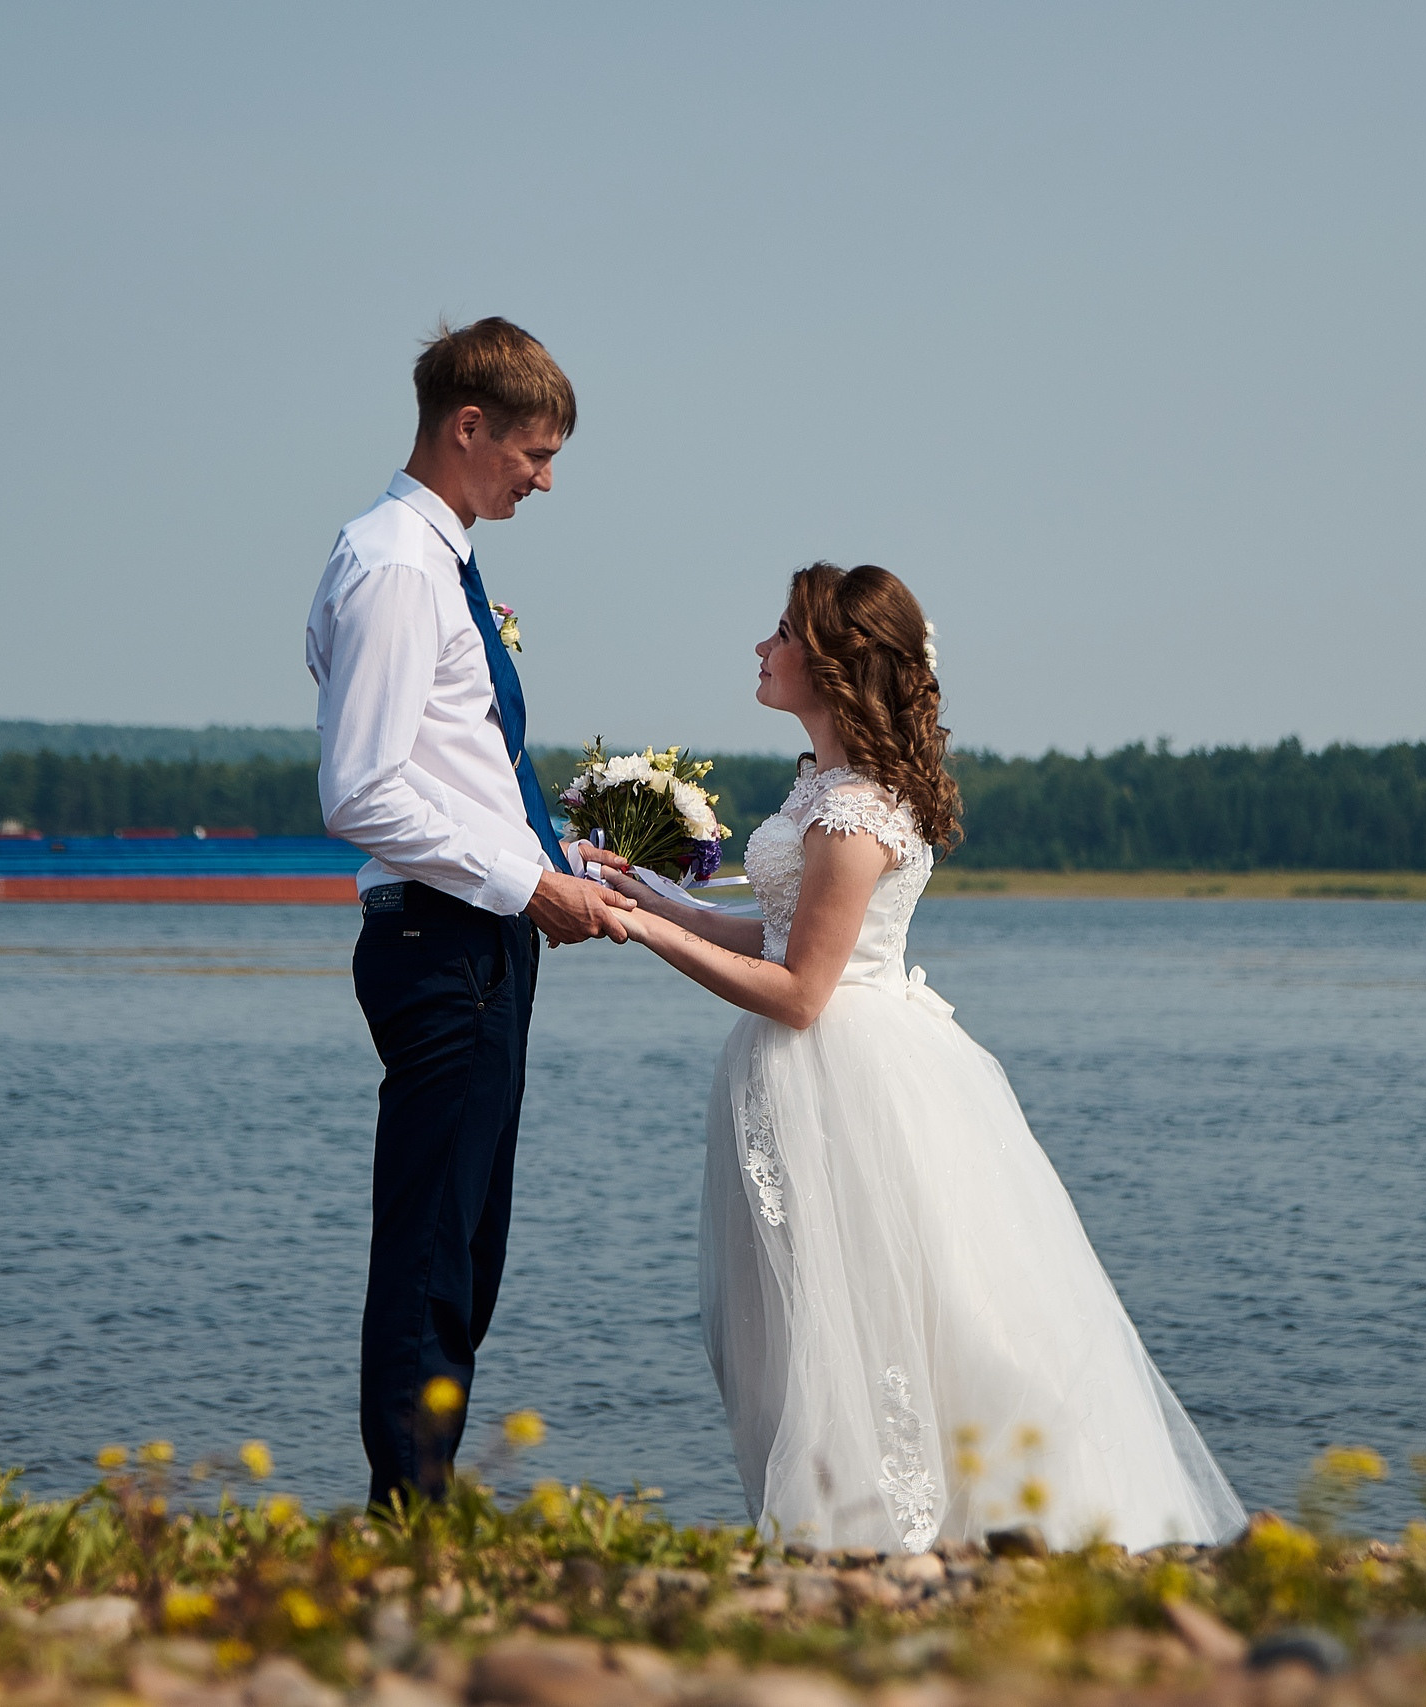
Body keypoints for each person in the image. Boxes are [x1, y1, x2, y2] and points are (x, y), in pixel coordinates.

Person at [602, 563, 1246, 1552]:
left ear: (831, 664)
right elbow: (781, 933)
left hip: (845, 1075)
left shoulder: (855, 812)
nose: (761, 649)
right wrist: (663, 900)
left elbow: (803, 994)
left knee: (875, 1308)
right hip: (817, 1066)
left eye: (780, 633)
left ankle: (894, 1523)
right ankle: (848, 1519)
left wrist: (643, 938)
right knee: (819, 1308)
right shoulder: (825, 788)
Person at [305, 318, 636, 1510]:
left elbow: (448, 766)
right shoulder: (399, 567)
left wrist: (552, 851)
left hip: (475, 931)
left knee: (470, 1240)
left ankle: (426, 1492)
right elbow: (361, 789)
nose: (542, 479)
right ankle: (409, 1508)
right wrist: (523, 884)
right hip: (444, 941)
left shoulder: (437, 562)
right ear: (468, 426)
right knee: (436, 1242)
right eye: (533, 454)